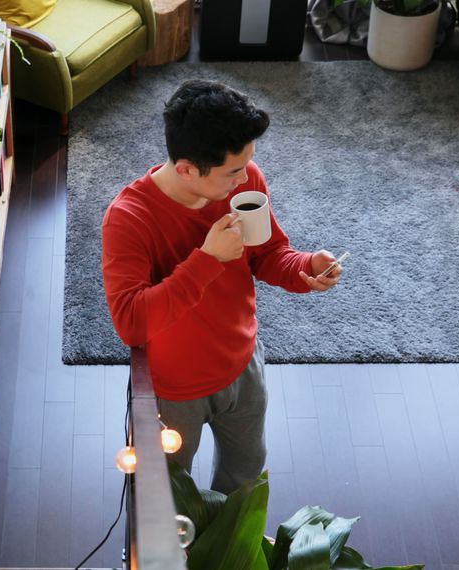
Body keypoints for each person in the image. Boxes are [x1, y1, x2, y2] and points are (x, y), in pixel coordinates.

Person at [100, 79, 344, 494]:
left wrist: (306, 267)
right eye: (233, 170)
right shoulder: (129, 219)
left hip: (243, 364)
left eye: (248, 162)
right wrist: (208, 259)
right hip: (173, 390)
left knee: (245, 478)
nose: (246, 175)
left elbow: (268, 253)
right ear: (186, 169)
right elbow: (130, 322)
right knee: (164, 495)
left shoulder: (246, 184)